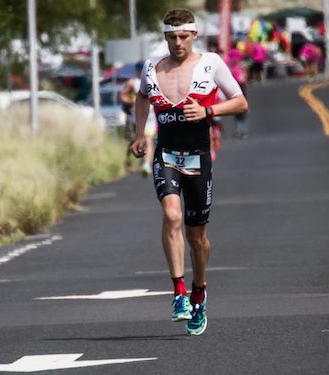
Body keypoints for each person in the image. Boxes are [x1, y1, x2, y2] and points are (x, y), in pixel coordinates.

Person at [129, 8, 248, 336]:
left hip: (198, 157)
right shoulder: (152, 67)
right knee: (171, 215)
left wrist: (209, 109)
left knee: (197, 236)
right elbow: (141, 97)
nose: (178, 43)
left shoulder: (210, 64)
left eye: (183, 36)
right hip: (165, 154)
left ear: (194, 35)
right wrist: (140, 133)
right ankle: (179, 291)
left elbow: (240, 102)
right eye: (171, 37)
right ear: (165, 37)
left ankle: (199, 291)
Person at [120, 63, 144, 171]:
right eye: (139, 70)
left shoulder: (150, 81)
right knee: (132, 140)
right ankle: (128, 160)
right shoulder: (132, 82)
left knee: (145, 139)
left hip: (145, 116)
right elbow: (123, 95)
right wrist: (132, 101)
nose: (141, 72)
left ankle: (143, 162)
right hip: (132, 116)